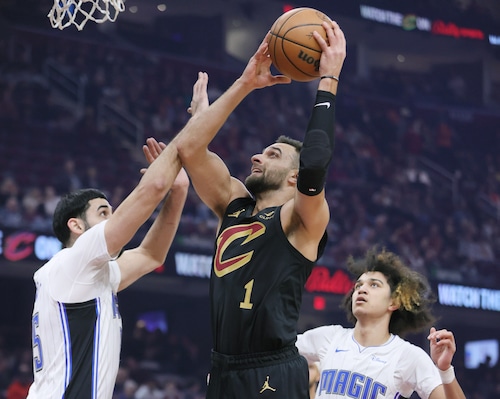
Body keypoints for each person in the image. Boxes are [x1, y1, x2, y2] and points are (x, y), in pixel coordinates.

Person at [144, 19, 346, 399]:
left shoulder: (301, 220)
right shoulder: (233, 205)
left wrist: (329, 78)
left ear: (294, 178)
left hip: (272, 368)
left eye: (273, 155)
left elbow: (316, 161)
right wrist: (245, 83)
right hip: (222, 367)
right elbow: (189, 150)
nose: (256, 155)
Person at [27, 141, 189, 398]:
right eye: (103, 213)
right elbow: (154, 187)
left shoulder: (91, 275)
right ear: (76, 226)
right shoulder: (71, 263)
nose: (112, 219)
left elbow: (151, 255)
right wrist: (171, 162)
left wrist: (178, 192)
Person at [296, 247, 466, 399]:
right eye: (358, 286)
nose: (362, 289)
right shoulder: (329, 337)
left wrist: (445, 370)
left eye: (374, 285)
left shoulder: (407, 356)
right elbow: (273, 346)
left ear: (393, 302)